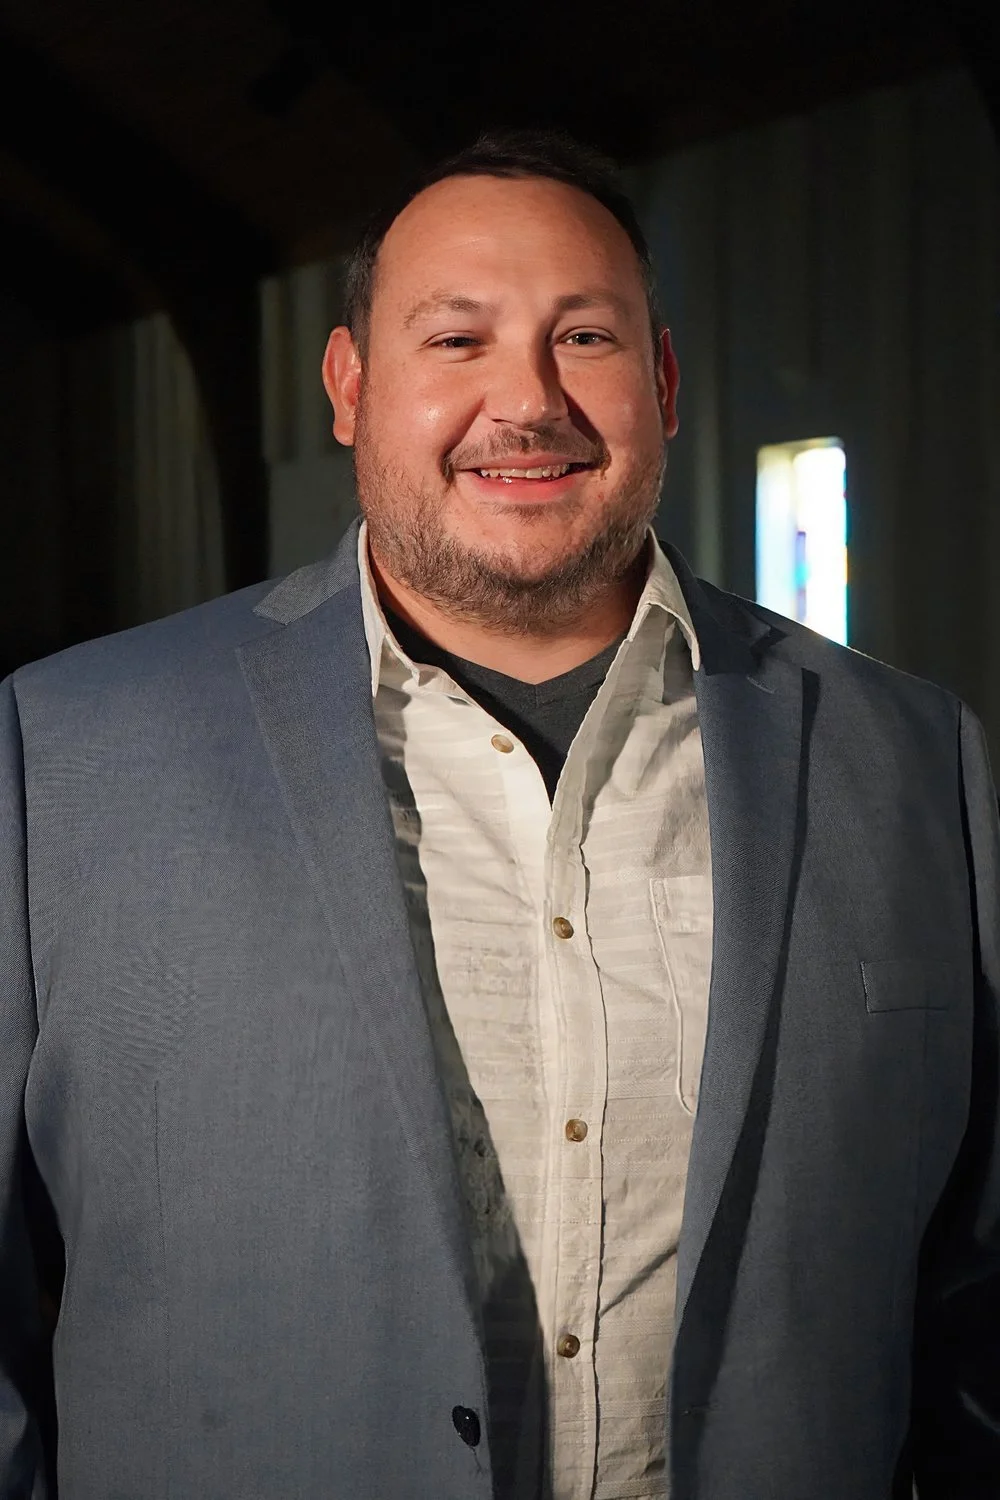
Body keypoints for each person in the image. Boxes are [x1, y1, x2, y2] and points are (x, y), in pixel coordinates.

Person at [1, 130, 998, 1500]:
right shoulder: (61, 755)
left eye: (583, 337)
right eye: (456, 340)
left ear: (663, 382)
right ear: (350, 386)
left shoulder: (915, 757)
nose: (525, 401)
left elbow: (977, 1291)